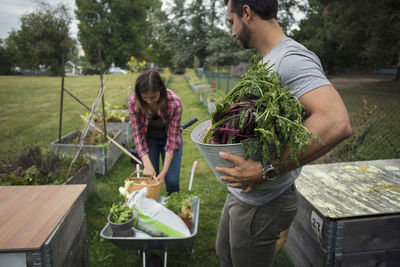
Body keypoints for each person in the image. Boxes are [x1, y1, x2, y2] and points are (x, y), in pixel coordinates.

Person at [215, 1, 353, 266]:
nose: (232, 31)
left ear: (246, 13)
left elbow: (336, 121)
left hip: (263, 200)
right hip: (243, 194)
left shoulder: (290, 58)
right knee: (225, 257)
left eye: (231, 20)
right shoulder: (270, 60)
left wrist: (265, 169)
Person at [128, 70, 183, 195]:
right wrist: (147, 164)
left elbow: (173, 139)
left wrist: (163, 173)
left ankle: (174, 206)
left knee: (172, 180)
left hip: (169, 138)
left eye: (153, 97)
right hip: (149, 139)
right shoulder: (133, 102)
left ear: (161, 91)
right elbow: (137, 135)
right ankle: (151, 204)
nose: (149, 101)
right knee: (150, 177)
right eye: (145, 97)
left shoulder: (175, 103)